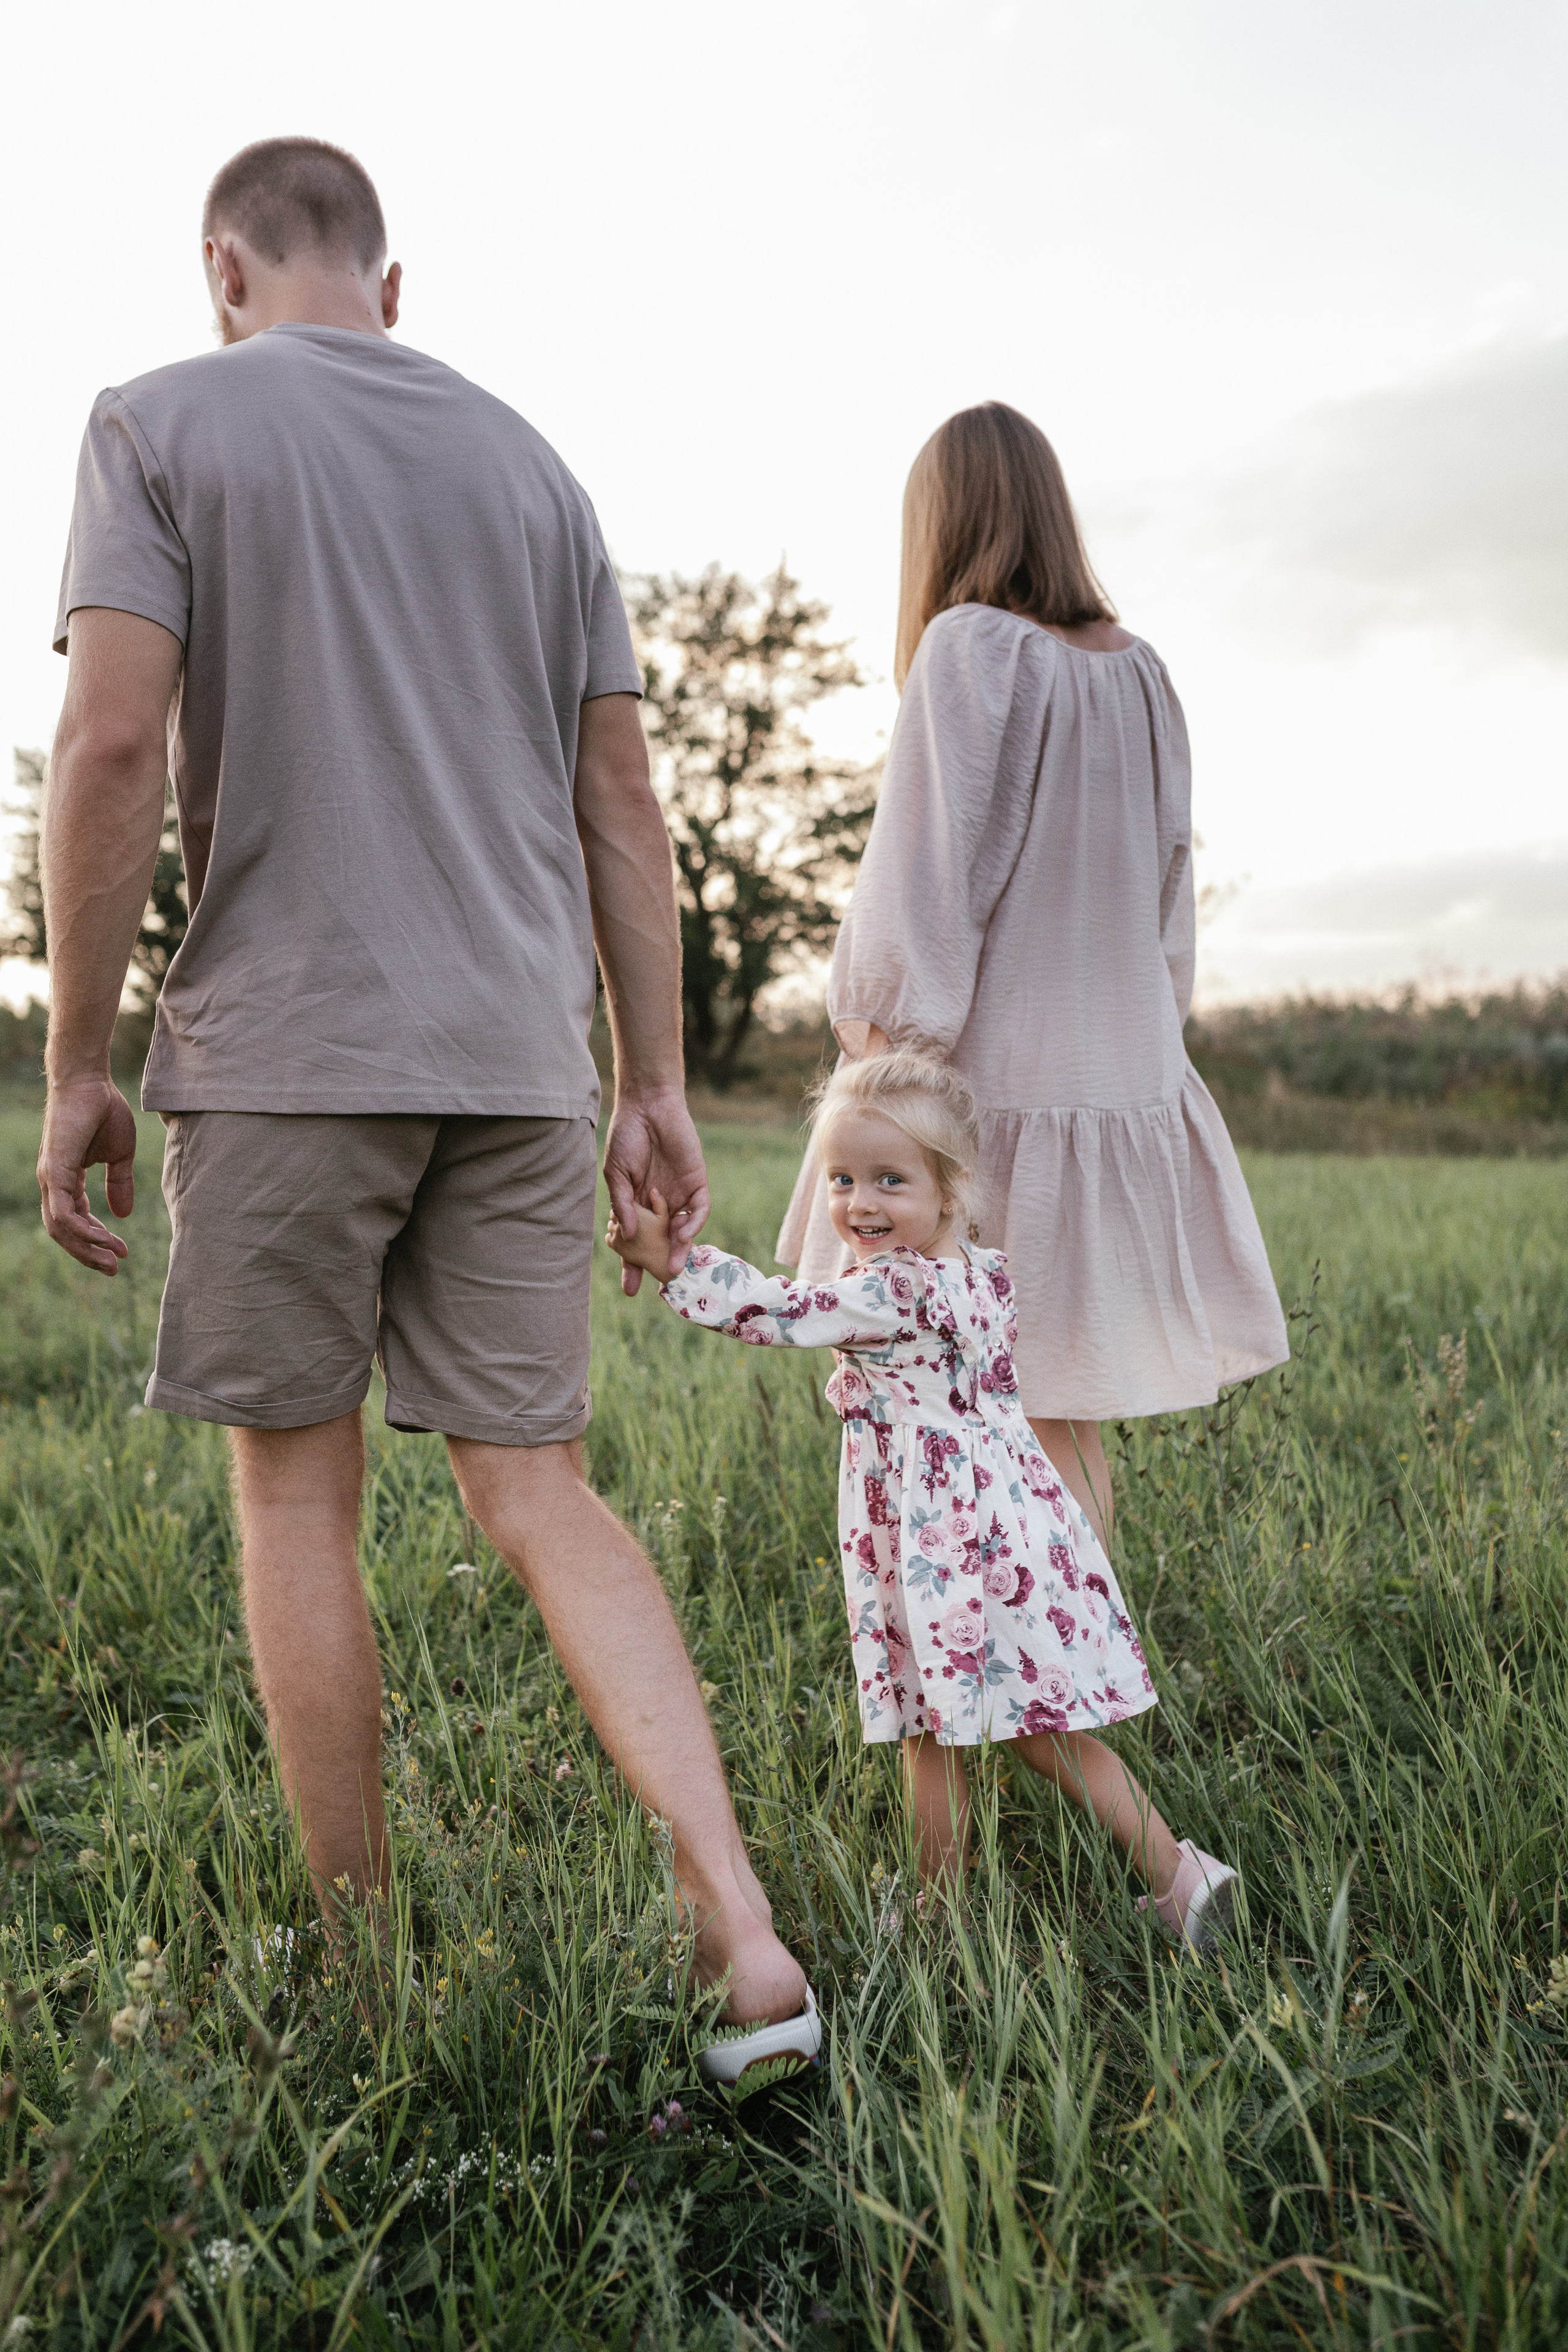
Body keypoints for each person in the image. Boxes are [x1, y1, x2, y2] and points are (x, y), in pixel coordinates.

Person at [37, 135, 812, 2047]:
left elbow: (114, 738)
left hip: (290, 1049)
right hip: (520, 1062)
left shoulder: (157, 422)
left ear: (225, 268)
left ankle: (367, 1980)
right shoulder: (537, 471)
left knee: (295, 1502)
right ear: (391, 288)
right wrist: (653, 1083)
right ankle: (745, 1932)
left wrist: (74, 1063)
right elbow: (622, 801)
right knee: (538, 1487)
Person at [779, 402, 1289, 1551]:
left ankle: (1025, 1674)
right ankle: (1082, 1665)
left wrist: (880, 1058)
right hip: (1120, 1081)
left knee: (976, 1414)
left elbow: (926, 880)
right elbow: (1170, 901)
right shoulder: (1143, 671)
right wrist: (1150, 1052)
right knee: (1060, 1412)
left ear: (944, 522)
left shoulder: (969, 648)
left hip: (991, 1094)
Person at [611, 1051, 1237, 1947]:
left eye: (889, 1181)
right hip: (1008, 1526)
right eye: (842, 1179)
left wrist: (674, 1264)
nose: (859, 1204)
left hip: (939, 1541)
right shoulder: (983, 1274)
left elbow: (777, 1310)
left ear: (951, 1189)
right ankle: (1181, 1874)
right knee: (1044, 1732)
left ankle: (941, 1923)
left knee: (926, 1729)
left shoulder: (895, 1288)